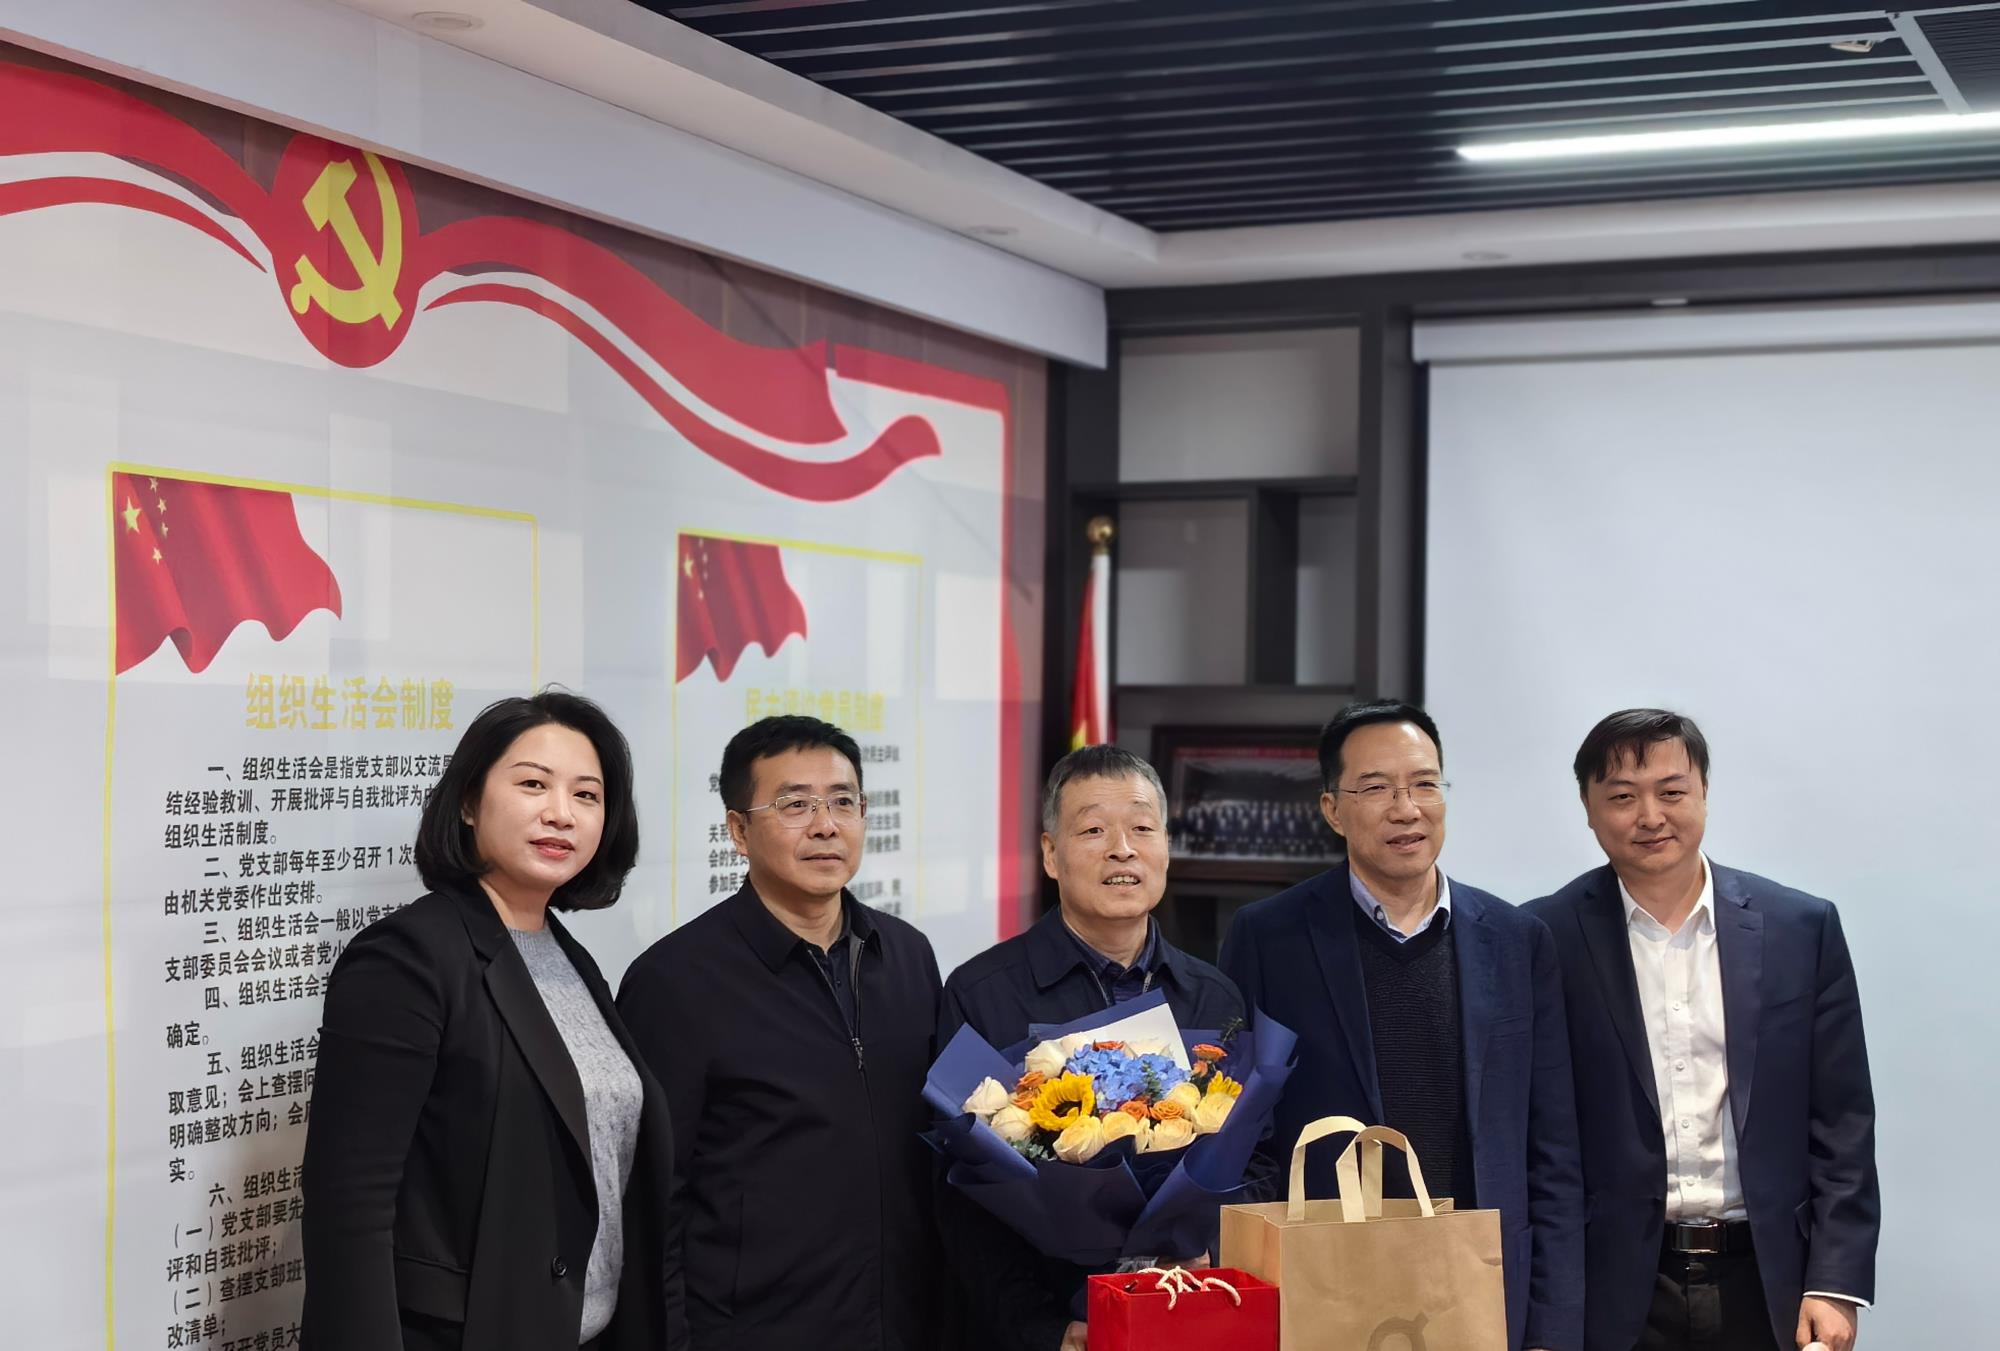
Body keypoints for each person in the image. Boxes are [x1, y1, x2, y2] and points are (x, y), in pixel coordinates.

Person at [302, 690, 685, 1351]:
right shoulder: (407, 957)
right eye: (533, 784)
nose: (561, 812)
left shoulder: (570, 957)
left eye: (587, 795)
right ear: (469, 802)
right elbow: (350, 1205)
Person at [1219, 700, 1584, 1351]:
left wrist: (1551, 1330)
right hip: (1325, 1287)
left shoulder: (1517, 940)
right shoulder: (1268, 937)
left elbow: (1552, 1150)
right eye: (1376, 788)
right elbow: (1244, 1138)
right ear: (1332, 808)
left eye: (1424, 784)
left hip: (1480, 1285)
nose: (1406, 808)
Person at [1526, 710, 1878, 1351]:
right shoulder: (1542, 937)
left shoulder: (1799, 928)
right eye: (1623, 797)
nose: (1650, 816)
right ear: (1588, 808)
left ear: (1704, 792)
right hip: (1610, 1289)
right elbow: (1536, 1138)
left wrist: (1835, 1282)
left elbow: (1842, 1121)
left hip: (1768, 1280)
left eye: (1671, 791)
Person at [616, 715, 945, 1350]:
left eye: (843, 802)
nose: (825, 826)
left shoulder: (908, 956)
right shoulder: (675, 981)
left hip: (904, 1326)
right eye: (795, 805)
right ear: (739, 830)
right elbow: (653, 1204)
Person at [938, 743, 1245, 1351]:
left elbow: (1254, 1161)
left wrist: (1209, 1250)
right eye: (1094, 830)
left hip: (1185, 1314)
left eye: (1142, 828)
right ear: (1050, 854)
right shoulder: (982, 993)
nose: (1122, 849)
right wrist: (1043, 1329)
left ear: (1165, 847)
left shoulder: (1215, 997)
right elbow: (957, 1197)